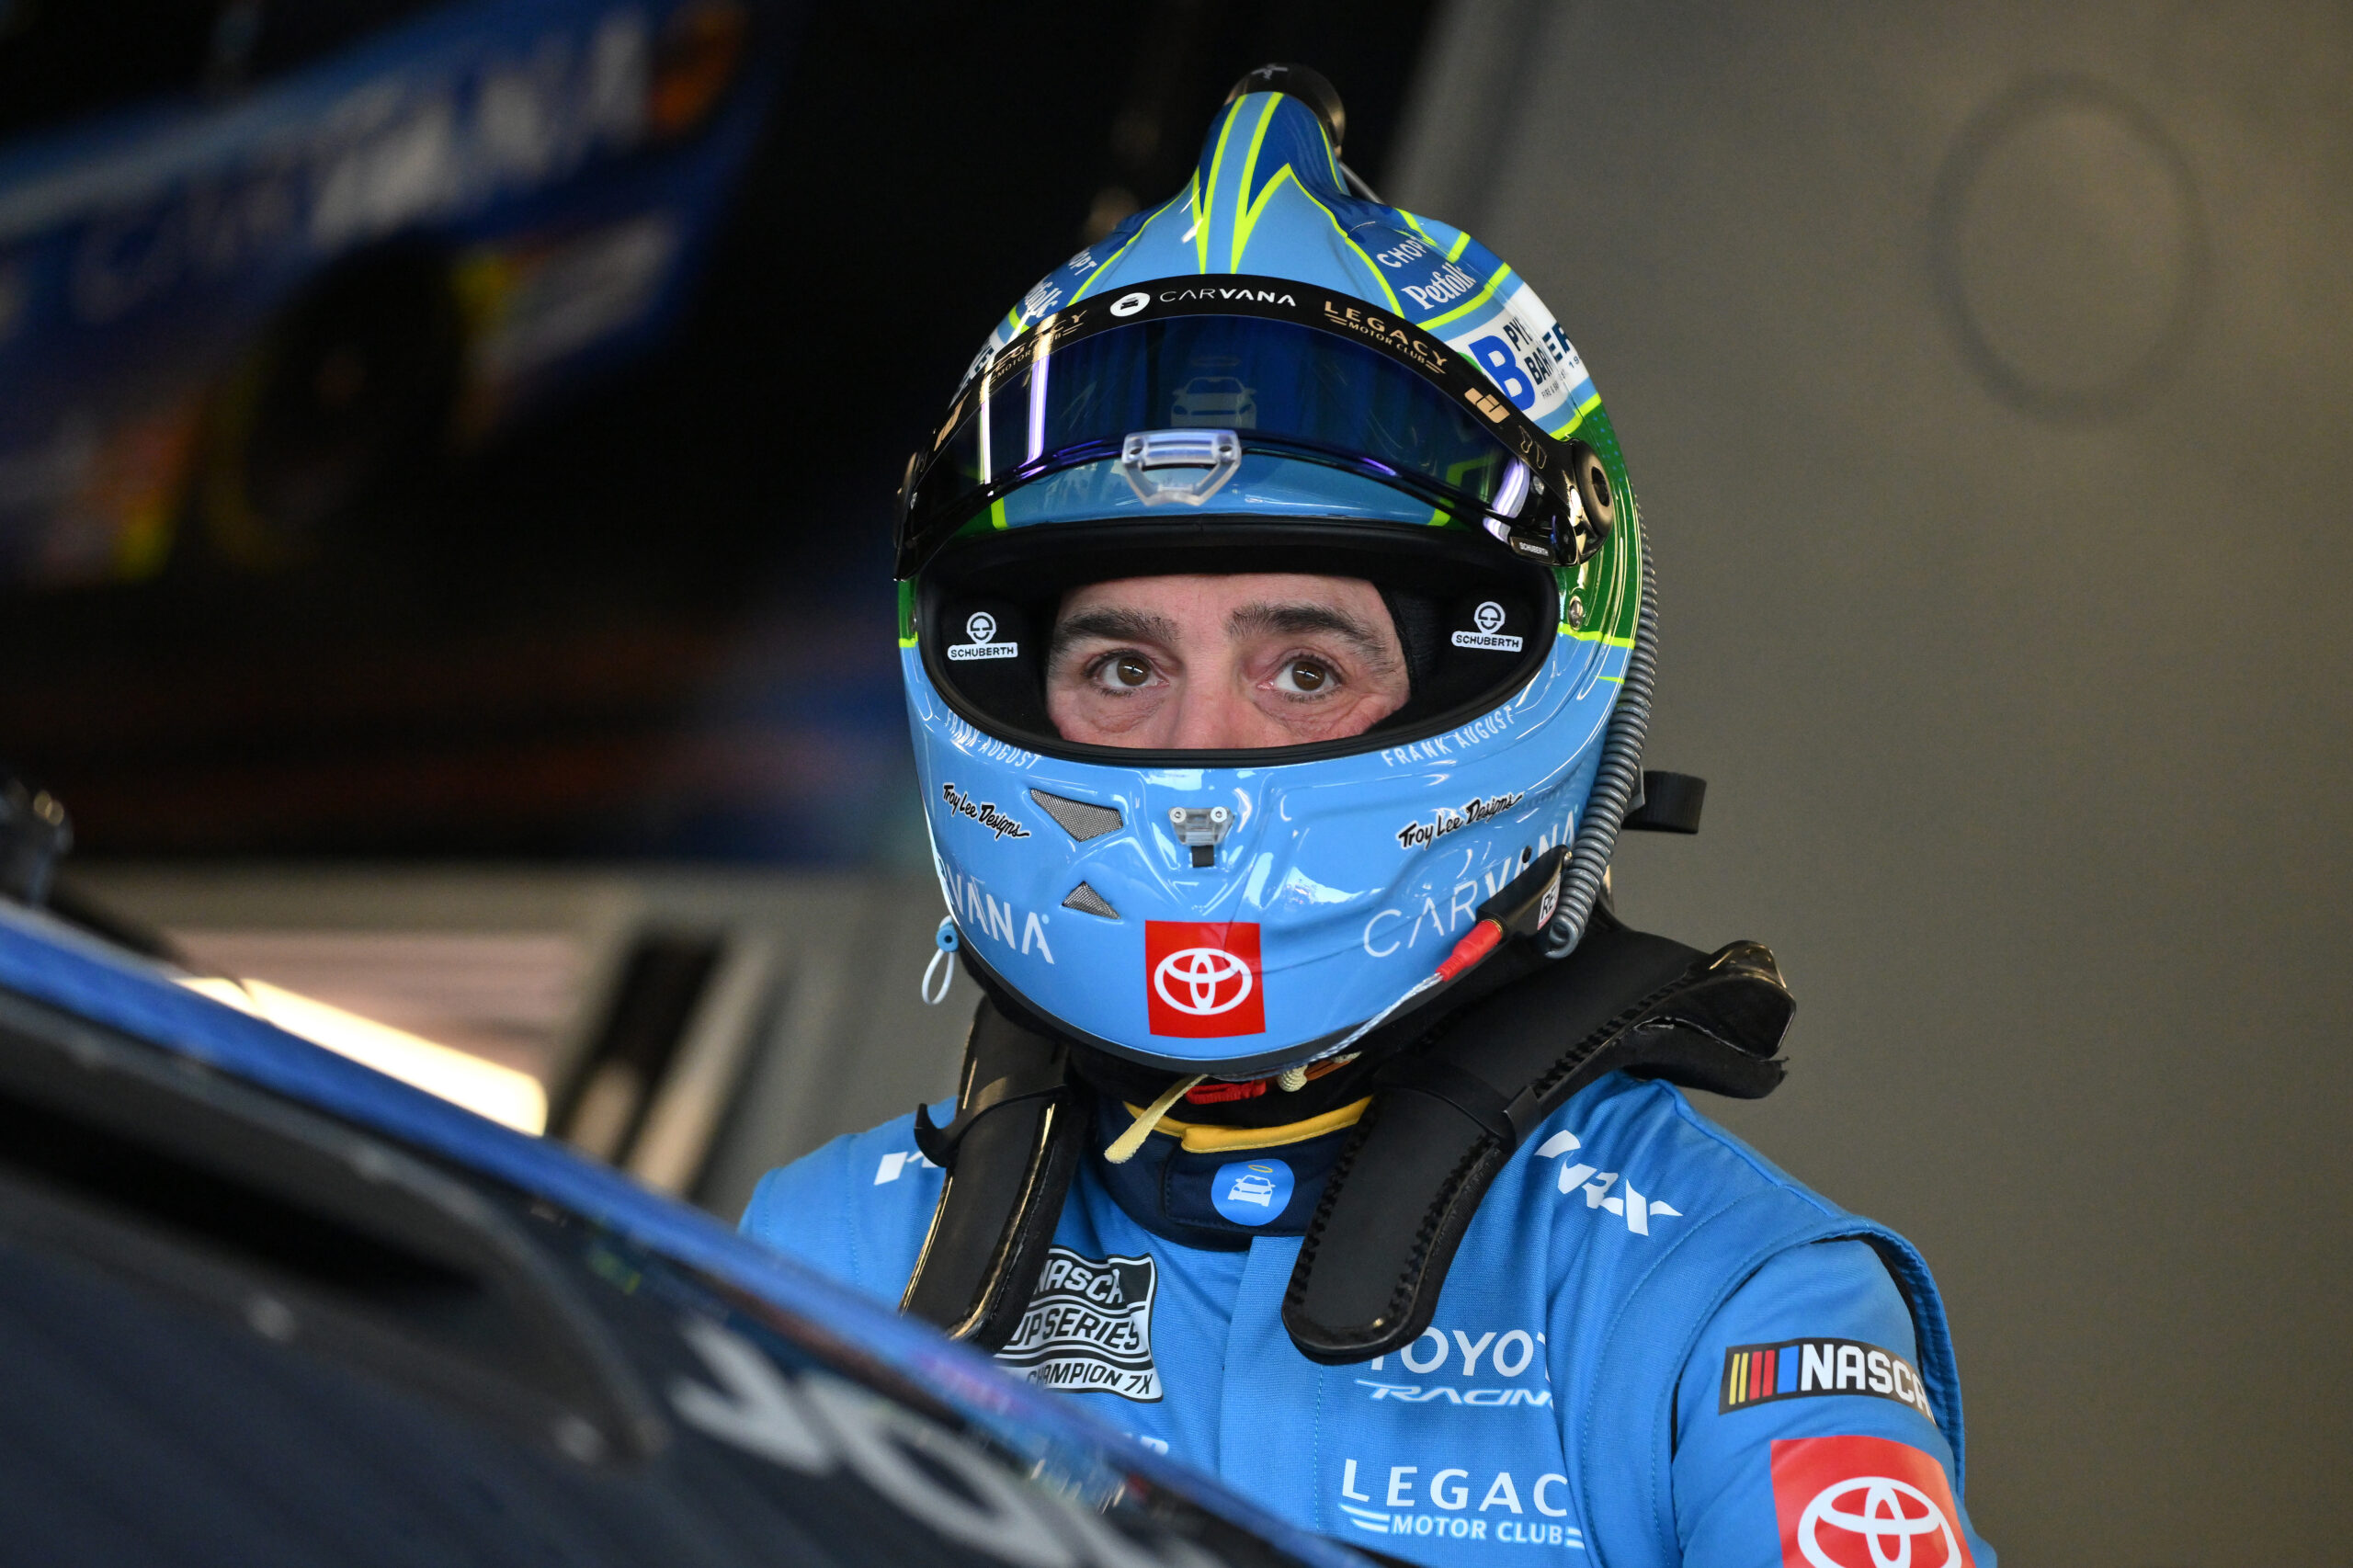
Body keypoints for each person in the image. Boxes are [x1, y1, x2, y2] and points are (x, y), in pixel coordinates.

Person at [745, 67, 1995, 1568]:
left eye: (1305, 666)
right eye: (1124, 664)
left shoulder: (1732, 1308)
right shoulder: (825, 1250)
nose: (1201, 749)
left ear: (1482, 682)